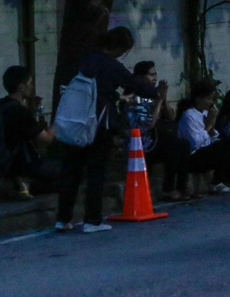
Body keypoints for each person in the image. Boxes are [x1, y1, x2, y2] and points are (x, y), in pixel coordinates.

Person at [57, 26, 163, 234]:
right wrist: (156, 92)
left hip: (74, 119)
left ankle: (62, 218)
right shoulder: (111, 66)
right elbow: (134, 84)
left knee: (72, 170)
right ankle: (92, 220)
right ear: (120, 48)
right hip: (98, 123)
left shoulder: (84, 59)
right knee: (96, 170)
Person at [0, 66, 57, 200]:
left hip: (2, 163)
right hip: (24, 164)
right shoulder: (20, 112)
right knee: (69, 173)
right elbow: (47, 139)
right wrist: (60, 122)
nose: (32, 86)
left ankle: (13, 182)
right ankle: (24, 185)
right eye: (30, 83)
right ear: (22, 86)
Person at [172, 79, 230, 197]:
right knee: (226, 145)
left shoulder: (204, 112)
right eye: (208, 98)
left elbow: (211, 140)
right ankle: (216, 183)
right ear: (198, 99)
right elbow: (195, 143)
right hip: (192, 158)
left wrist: (212, 128)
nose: (211, 102)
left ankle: (226, 179)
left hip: (204, 152)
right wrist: (208, 126)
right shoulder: (189, 115)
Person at [122, 61, 175, 167]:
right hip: (142, 144)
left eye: (155, 74)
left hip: (155, 140)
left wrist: (163, 99)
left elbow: (171, 117)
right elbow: (148, 123)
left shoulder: (152, 94)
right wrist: (159, 101)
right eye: (151, 75)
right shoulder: (134, 98)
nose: (155, 78)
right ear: (140, 77)